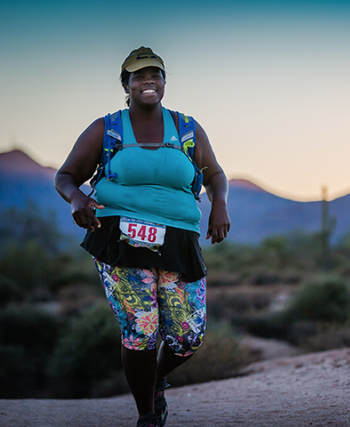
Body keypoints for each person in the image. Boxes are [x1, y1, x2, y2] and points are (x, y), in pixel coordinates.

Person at [55, 46, 230, 427]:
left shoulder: (186, 128)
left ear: (164, 83)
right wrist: (76, 199)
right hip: (121, 238)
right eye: (139, 76)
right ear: (127, 85)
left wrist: (219, 205)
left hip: (179, 241)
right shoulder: (108, 128)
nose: (149, 81)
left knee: (188, 336)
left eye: (156, 75)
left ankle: (155, 381)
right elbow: (65, 176)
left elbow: (215, 175)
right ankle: (147, 415)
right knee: (141, 330)